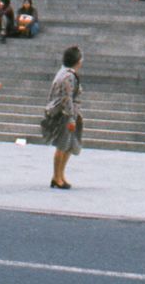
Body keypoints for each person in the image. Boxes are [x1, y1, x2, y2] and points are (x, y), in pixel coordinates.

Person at [42, 45, 84, 189]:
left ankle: (60, 175)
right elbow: (67, 98)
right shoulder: (69, 76)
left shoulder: (63, 72)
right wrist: (71, 118)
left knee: (68, 145)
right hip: (65, 115)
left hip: (68, 113)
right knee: (62, 145)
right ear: (77, 61)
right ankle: (56, 177)